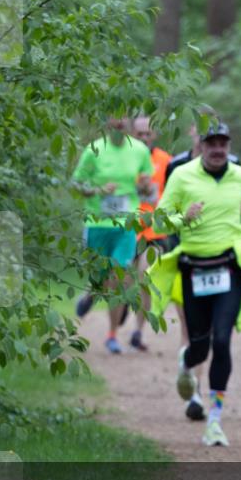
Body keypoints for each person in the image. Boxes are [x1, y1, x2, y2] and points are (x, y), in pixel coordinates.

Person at [149, 120, 241, 446]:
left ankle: (215, 420)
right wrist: (184, 218)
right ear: (202, 146)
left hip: (228, 267)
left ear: (229, 145)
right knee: (200, 345)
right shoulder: (182, 175)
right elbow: (160, 219)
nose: (218, 149)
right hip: (194, 268)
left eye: (223, 143)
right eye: (212, 143)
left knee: (222, 341)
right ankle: (186, 362)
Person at [72, 117, 155, 354]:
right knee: (100, 278)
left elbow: (147, 188)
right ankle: (93, 290)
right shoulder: (94, 149)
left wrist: (146, 187)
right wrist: (97, 190)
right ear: (107, 125)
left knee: (118, 278)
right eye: (114, 124)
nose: (119, 128)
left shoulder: (139, 151)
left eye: (122, 125)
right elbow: (77, 183)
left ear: (128, 127)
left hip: (126, 225)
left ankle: (112, 335)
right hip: (97, 224)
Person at [129, 115, 173, 352]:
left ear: (154, 135)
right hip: (126, 229)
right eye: (140, 134)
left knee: (145, 277)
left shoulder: (166, 160)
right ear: (132, 135)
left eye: (148, 133)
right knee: (122, 280)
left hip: (153, 232)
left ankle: (138, 331)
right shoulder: (123, 159)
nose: (144, 138)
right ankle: (119, 313)